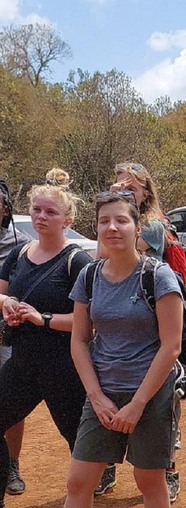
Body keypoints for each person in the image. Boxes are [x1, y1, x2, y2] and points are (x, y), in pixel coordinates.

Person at [64, 190, 183, 508]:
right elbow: (79, 340)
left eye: (121, 220)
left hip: (151, 394)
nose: (112, 228)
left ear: (137, 227)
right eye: (104, 221)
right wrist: (96, 396)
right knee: (79, 482)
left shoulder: (157, 276)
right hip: (103, 393)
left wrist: (138, 404)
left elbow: (171, 347)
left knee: (149, 481)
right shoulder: (89, 276)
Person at [0, 169, 92, 508]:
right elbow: (1, 294)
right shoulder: (19, 254)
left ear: (66, 220)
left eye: (50, 212)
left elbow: (89, 324)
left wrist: (43, 318)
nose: (41, 216)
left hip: (63, 368)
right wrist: (8, 304)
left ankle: (86, 493)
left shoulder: (77, 261)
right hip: (22, 363)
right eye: (36, 210)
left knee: (80, 443)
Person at [99, 161, 184, 501]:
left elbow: (108, 252)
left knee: (161, 398)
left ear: (146, 192)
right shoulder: (121, 220)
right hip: (123, 312)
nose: (123, 192)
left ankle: (168, 470)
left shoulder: (150, 225)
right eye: (118, 186)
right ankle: (108, 465)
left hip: (152, 313)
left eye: (130, 188)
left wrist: (113, 213)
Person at [0, 179, 30, 498]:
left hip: (7, 336)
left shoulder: (20, 245)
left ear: (5, 208)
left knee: (11, 403)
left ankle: (12, 465)